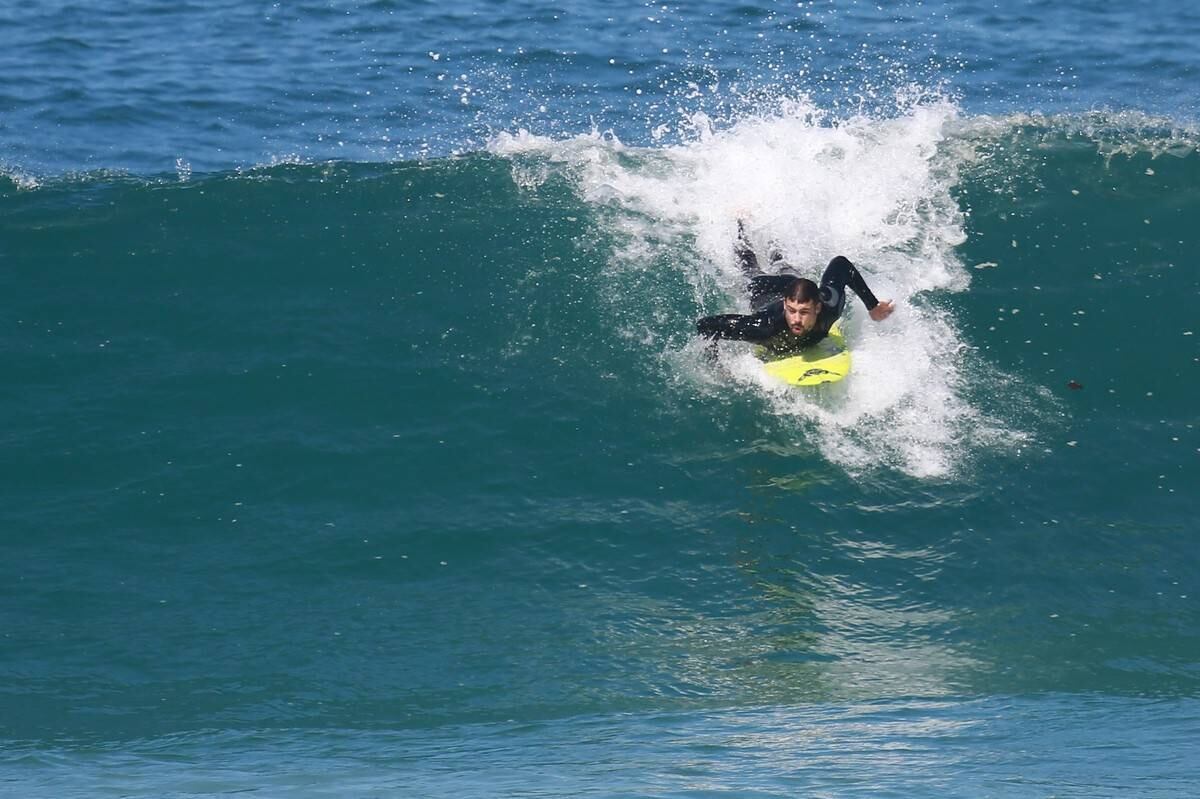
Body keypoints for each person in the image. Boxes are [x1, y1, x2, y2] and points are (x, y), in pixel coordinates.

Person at [696, 222, 894, 357]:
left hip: (793, 282)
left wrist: (873, 306)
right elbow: (706, 325)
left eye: (804, 312)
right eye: (791, 311)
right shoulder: (765, 327)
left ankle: (769, 226)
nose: (796, 319)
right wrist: (715, 365)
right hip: (763, 288)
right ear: (785, 306)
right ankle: (740, 223)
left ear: (818, 307)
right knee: (749, 268)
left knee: (781, 262)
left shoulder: (831, 305)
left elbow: (841, 265)